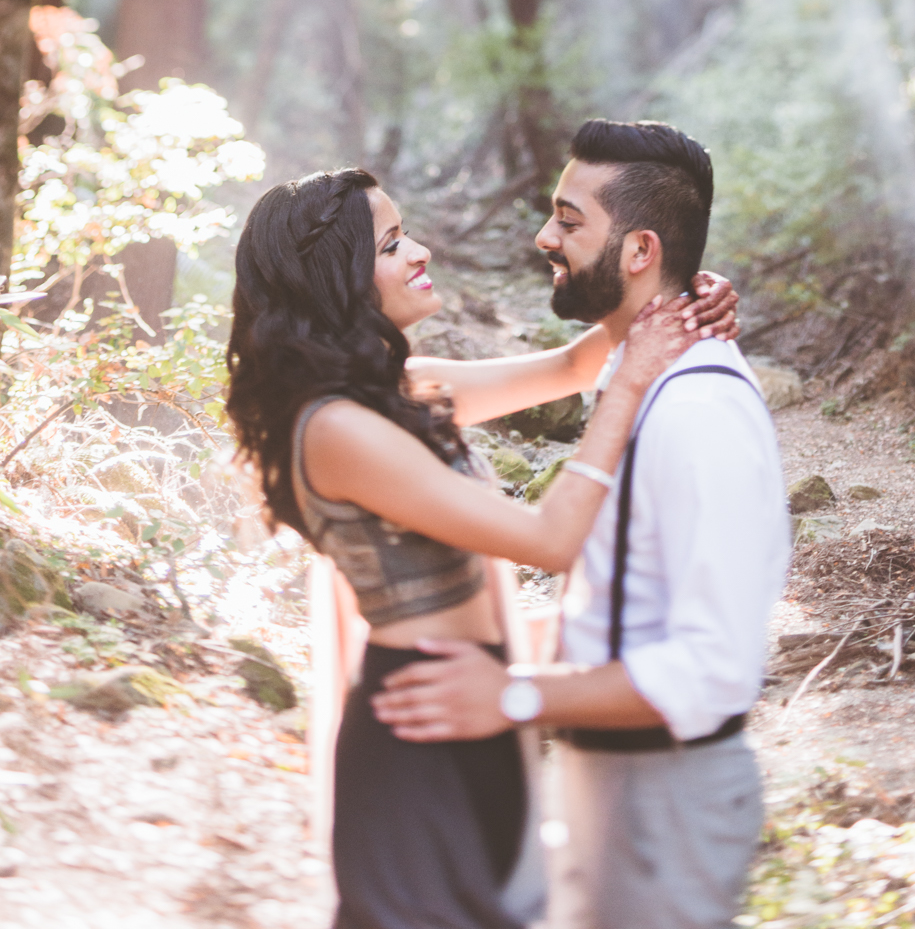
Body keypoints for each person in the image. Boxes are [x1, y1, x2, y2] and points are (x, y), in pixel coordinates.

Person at [224, 163, 740, 929]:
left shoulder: (406, 392)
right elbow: (550, 538)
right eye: (393, 243)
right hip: (417, 735)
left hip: (478, 715)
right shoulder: (332, 429)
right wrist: (630, 386)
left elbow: (572, 367)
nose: (420, 252)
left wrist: (678, 294)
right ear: (335, 277)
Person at [373, 120, 791, 929]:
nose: (544, 237)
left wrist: (512, 693)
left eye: (569, 220)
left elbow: (711, 671)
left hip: (663, 800)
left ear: (637, 252)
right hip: (601, 783)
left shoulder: (698, 410)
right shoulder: (631, 373)